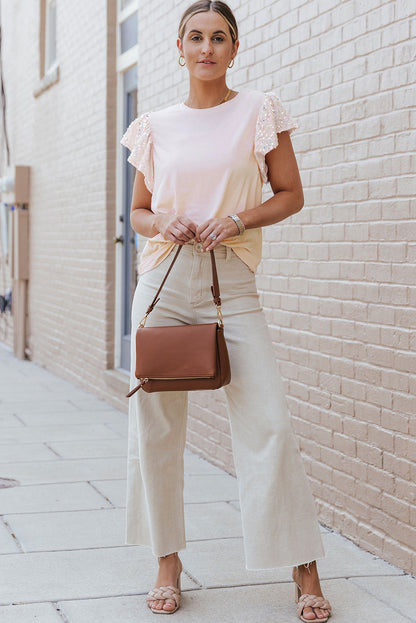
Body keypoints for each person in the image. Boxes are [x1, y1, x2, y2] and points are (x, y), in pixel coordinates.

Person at [121, 1, 333, 620]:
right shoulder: (154, 124)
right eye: (196, 37)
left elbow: (291, 193)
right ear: (178, 47)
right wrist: (163, 219)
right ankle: (166, 560)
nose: (206, 47)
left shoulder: (258, 111)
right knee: (156, 427)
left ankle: (303, 564)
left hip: (231, 283)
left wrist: (238, 217)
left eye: (219, 37)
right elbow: (137, 213)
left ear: (234, 48)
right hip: (163, 280)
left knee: (269, 423)